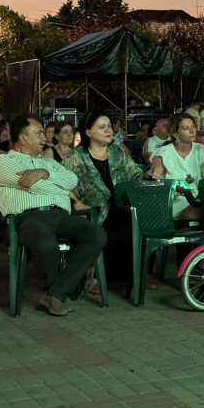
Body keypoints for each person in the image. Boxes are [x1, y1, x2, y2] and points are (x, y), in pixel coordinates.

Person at [0, 115, 107, 316]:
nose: (44, 137)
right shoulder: (4, 161)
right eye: (38, 133)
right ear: (23, 138)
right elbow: (33, 187)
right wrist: (57, 188)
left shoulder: (48, 163)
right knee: (46, 245)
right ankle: (61, 293)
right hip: (27, 218)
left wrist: (45, 174)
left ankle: (56, 293)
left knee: (96, 234)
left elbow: (72, 180)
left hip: (60, 216)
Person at [63, 112, 144, 288]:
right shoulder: (76, 157)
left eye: (109, 126)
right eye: (102, 127)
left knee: (137, 227)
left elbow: (135, 174)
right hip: (92, 211)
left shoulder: (118, 152)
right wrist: (76, 202)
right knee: (109, 233)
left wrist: (147, 176)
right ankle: (95, 278)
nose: (108, 130)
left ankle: (133, 277)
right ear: (89, 132)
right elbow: (62, 183)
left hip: (120, 206)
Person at [150, 113, 204, 220]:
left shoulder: (201, 149)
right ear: (175, 134)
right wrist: (155, 172)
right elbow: (156, 181)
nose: (192, 131)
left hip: (198, 200)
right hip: (175, 204)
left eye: (193, 127)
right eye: (186, 128)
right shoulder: (163, 153)